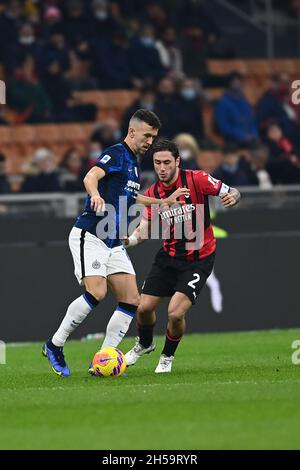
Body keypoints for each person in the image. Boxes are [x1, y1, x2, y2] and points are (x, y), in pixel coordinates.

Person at [42, 110, 189, 377]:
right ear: (132, 132)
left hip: (112, 240)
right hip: (92, 233)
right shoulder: (117, 153)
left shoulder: (133, 162)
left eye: (153, 137)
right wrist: (95, 195)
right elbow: (91, 176)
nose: (150, 141)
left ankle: (103, 358)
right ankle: (54, 344)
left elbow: (132, 198)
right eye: (147, 136)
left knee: (132, 300)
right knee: (97, 293)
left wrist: (163, 202)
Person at [124, 139, 241, 373]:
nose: (162, 168)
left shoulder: (196, 179)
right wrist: (129, 240)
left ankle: (167, 357)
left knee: (175, 314)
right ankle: (145, 344)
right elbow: (145, 228)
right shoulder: (154, 194)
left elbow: (232, 191)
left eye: (167, 162)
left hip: (198, 259)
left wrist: (233, 198)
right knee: (143, 308)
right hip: (168, 257)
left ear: (177, 161)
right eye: (157, 163)